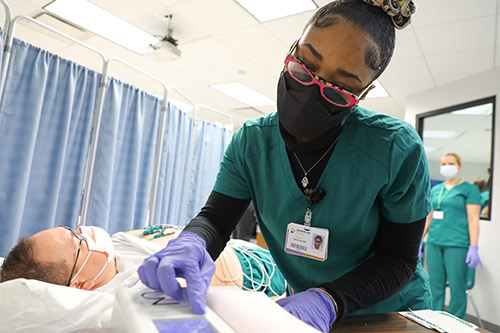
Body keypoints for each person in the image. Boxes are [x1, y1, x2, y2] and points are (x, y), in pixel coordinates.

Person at [138, 1, 432, 332]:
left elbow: (399, 259)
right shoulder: (251, 142)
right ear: (293, 49)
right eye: (304, 66)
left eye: (340, 89)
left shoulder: (394, 149)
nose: (311, 91)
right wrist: (192, 242)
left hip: (389, 313)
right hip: (304, 310)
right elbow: (217, 219)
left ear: (363, 93)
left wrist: (328, 300)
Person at [0, 225, 286, 297]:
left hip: (248, 252)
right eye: (78, 241)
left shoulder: (114, 246)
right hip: (267, 276)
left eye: (72, 229)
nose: (85, 231)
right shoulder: (140, 288)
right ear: (80, 285)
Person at [422, 153, 482, 319]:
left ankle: (456, 324)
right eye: (444, 164)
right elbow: (429, 217)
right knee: (435, 287)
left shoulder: (470, 190)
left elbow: (473, 219)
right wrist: (419, 241)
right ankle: (434, 321)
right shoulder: (435, 190)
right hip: (434, 242)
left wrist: (474, 246)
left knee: (457, 288)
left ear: (459, 167)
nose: (447, 166)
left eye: (451, 163)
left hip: (457, 244)